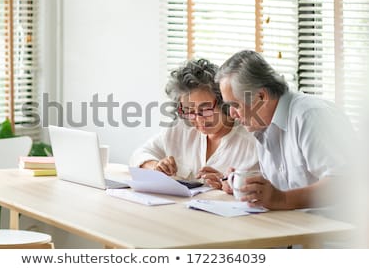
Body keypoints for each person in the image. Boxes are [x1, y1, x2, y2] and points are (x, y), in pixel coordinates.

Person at [214, 50, 357, 210]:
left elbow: (343, 184)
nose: (232, 115)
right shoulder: (262, 125)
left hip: (335, 229)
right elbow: (279, 188)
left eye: (236, 105)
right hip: (293, 226)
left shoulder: (310, 115)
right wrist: (242, 185)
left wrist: (282, 199)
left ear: (261, 97)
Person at [129, 58, 259, 188]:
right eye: (189, 111)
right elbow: (139, 154)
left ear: (223, 103)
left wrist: (229, 183)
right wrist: (156, 167)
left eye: (205, 110)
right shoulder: (180, 128)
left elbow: (262, 192)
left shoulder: (252, 142)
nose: (198, 119)